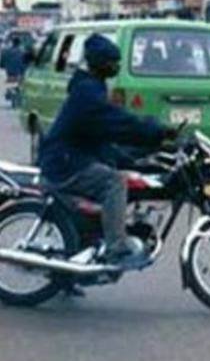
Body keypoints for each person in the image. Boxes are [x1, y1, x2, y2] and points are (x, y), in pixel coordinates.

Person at [37, 34, 175, 268]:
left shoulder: (91, 87)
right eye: (113, 62)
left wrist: (139, 154)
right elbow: (118, 122)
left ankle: (76, 259)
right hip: (65, 164)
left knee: (126, 172)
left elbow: (104, 135)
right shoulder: (88, 93)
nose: (116, 67)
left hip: (73, 156)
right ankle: (116, 248)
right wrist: (155, 130)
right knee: (114, 183)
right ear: (100, 64)